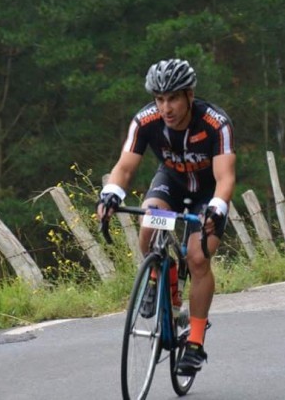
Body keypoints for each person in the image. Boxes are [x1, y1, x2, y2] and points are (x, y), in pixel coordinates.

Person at [96, 58, 236, 375]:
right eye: (159, 99)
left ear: (189, 95)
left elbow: (226, 177)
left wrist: (217, 207)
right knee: (149, 225)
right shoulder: (145, 120)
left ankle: (196, 343)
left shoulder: (215, 122)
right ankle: (163, 279)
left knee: (198, 258)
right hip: (171, 183)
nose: (165, 107)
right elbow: (125, 167)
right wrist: (111, 194)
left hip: (208, 193)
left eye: (172, 98)